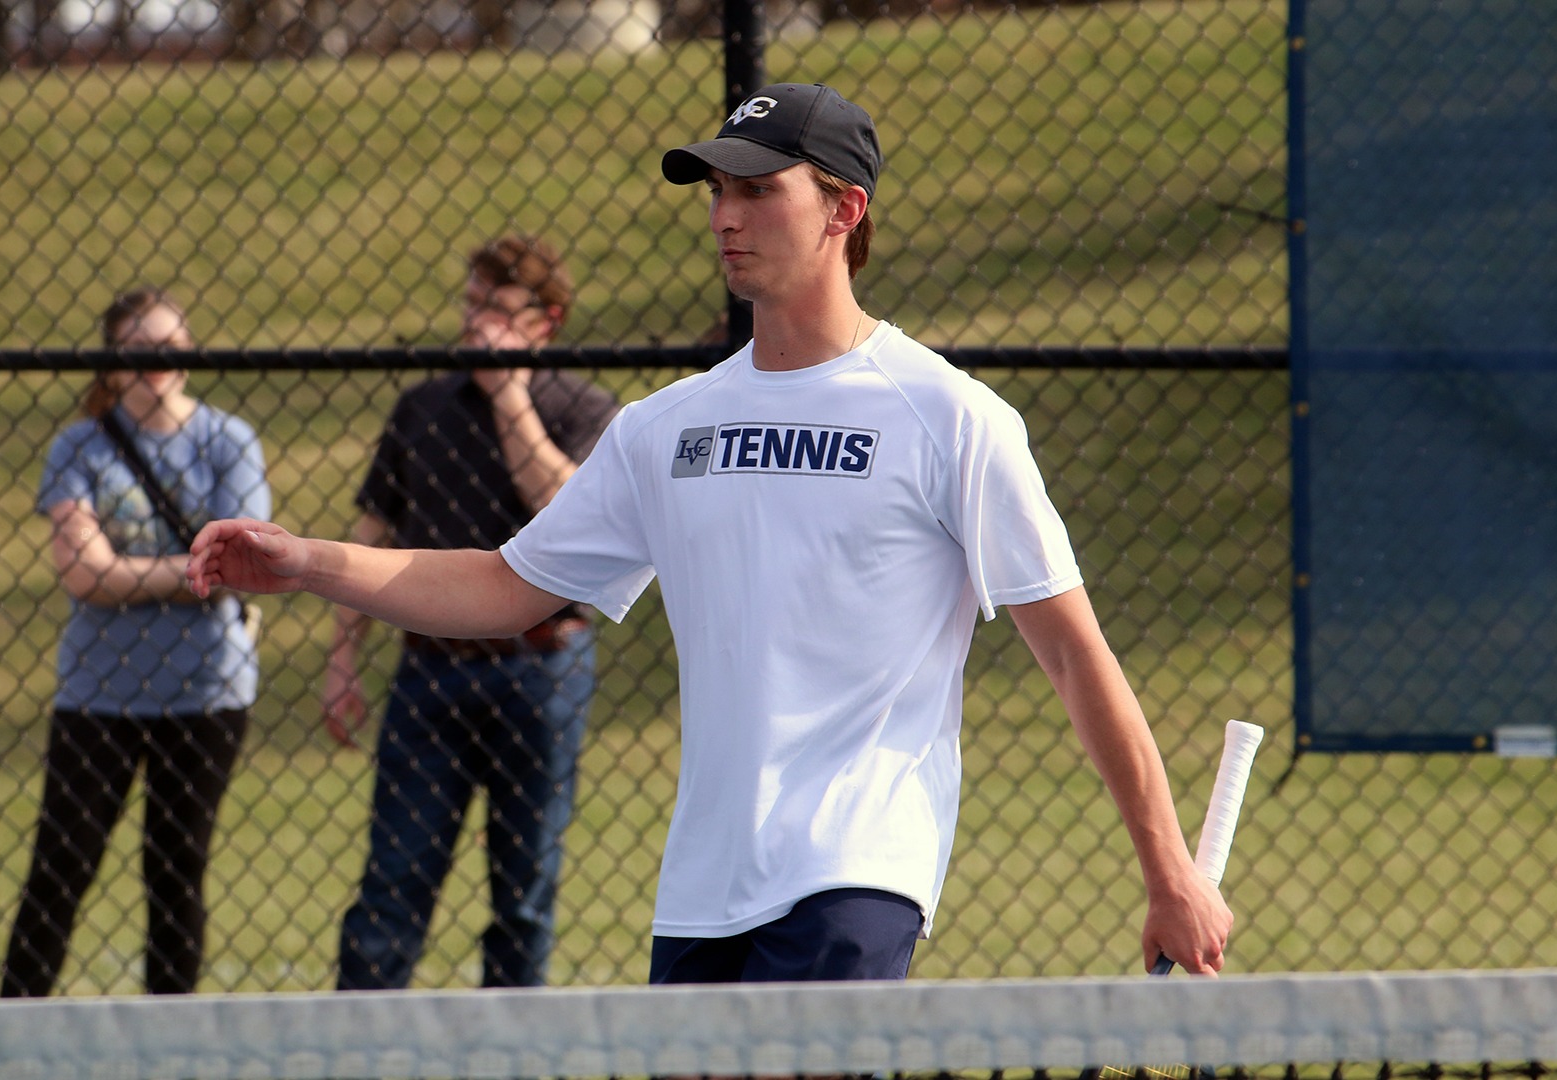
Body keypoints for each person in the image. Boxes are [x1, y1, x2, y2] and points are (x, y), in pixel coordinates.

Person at [187, 83, 1232, 985]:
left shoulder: (949, 418)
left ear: (842, 210)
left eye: (758, 188)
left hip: (854, 878)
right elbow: (507, 587)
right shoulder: (665, 428)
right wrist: (308, 561)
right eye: (719, 190)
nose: (726, 214)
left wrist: (1169, 870)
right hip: (697, 895)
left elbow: (1072, 653)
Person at [322, 235, 619, 989]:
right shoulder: (423, 405)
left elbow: (562, 505)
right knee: (393, 885)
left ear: (545, 321)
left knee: (524, 895)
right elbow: (374, 533)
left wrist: (510, 396)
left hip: (541, 670)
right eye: (471, 302)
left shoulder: (583, 407)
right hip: (430, 673)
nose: (476, 320)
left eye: (497, 307)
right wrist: (342, 657)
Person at [0, 287, 271, 997]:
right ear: (112, 361)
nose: (158, 363)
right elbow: (83, 574)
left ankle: (169, 1042)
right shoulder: (80, 446)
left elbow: (245, 561)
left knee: (176, 869)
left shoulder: (227, 440)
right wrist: (192, 570)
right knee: (61, 867)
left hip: (205, 692)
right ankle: (6, 1032)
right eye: (139, 350)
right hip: (101, 694)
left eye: (172, 348)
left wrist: (133, 572)